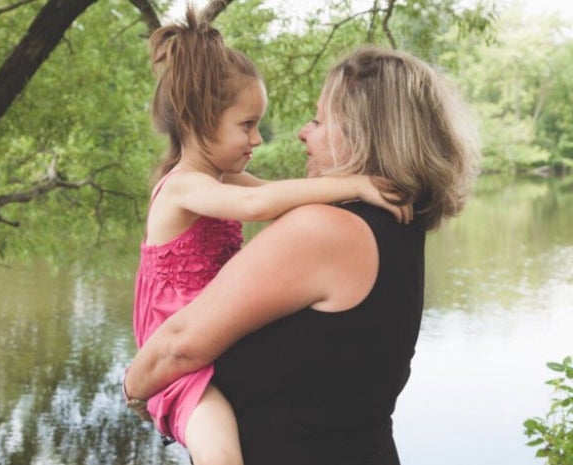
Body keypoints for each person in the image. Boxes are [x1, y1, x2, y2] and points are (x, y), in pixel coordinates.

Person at [124, 44, 481, 465]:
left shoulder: (326, 231)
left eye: (319, 119)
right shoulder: (397, 228)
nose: (302, 132)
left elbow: (178, 346)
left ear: (361, 132)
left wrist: (134, 390)